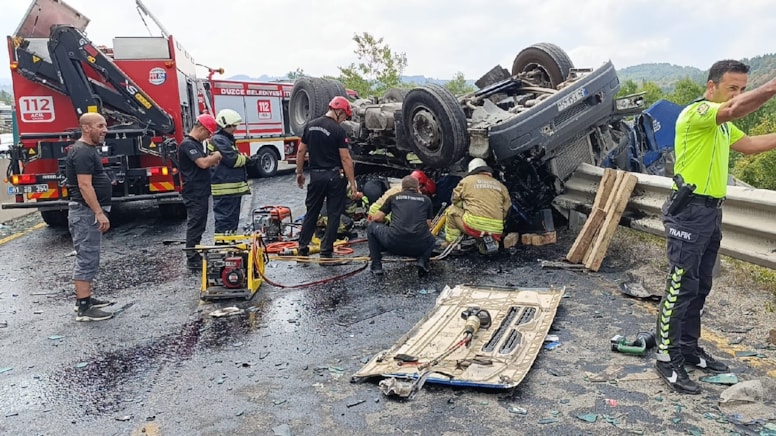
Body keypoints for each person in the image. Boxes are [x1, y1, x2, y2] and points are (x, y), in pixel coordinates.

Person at [654, 60, 776, 395]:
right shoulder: (698, 113)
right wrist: (772, 87)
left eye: (741, 88)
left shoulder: (721, 125)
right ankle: (667, 357)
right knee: (680, 286)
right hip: (689, 212)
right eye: (731, 88)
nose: (736, 95)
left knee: (701, 284)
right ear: (711, 87)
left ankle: (689, 348)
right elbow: (735, 110)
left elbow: (749, 144)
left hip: (710, 212)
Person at [295, 96, 358, 264]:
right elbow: (345, 158)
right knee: (334, 213)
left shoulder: (310, 125)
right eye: (344, 116)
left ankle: (302, 248)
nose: (344, 119)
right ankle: (326, 252)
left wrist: (299, 173)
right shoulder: (338, 130)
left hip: (315, 176)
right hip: (334, 177)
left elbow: (301, 151)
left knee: (311, 212)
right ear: (339, 111)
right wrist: (353, 184)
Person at [65, 113, 115, 322]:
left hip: (86, 212)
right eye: (100, 126)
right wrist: (99, 212)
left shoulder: (88, 150)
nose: (105, 130)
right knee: (86, 257)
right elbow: (84, 185)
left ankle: (86, 299)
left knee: (90, 256)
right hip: (85, 213)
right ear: (86, 128)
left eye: (105, 125)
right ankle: (84, 308)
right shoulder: (83, 151)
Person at [367, 175, 436, 276]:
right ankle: (423, 261)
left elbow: (376, 218)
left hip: (393, 243)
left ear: (402, 187)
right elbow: (428, 225)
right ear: (417, 188)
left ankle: (376, 264)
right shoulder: (426, 200)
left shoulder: (393, 197)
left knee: (371, 227)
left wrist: (388, 221)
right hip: (418, 246)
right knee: (432, 239)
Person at [177, 114, 222, 270]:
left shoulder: (196, 144)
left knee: (200, 223)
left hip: (200, 190)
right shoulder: (187, 144)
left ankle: (194, 252)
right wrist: (215, 156)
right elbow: (202, 164)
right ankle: (192, 257)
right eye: (208, 133)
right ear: (201, 128)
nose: (208, 136)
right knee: (195, 223)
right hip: (194, 191)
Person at [443, 158, 511, 251]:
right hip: (496, 229)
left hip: (474, 226)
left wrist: (464, 205)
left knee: (451, 211)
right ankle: (487, 243)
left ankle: (451, 244)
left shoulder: (467, 181)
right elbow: (506, 208)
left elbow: (454, 199)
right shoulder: (500, 185)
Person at [208, 109, 251, 238]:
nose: (235, 129)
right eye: (232, 126)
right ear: (225, 125)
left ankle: (229, 245)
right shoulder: (219, 140)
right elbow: (233, 160)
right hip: (225, 189)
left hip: (230, 189)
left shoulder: (225, 139)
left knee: (231, 222)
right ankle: (223, 248)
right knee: (224, 222)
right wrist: (248, 160)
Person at [367, 170, 436, 221]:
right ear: (419, 185)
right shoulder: (407, 192)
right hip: (380, 212)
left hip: (377, 209)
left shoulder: (402, 186)